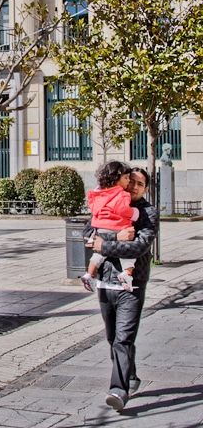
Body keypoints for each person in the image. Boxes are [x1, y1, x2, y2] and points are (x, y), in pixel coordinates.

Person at [83, 167, 158, 412]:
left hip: (132, 285)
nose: (134, 186)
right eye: (131, 181)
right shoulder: (110, 200)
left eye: (140, 184)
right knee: (112, 338)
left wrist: (104, 244)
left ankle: (118, 389)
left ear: (146, 188)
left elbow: (139, 248)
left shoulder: (148, 213)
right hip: (105, 283)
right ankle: (131, 376)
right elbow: (88, 234)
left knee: (123, 338)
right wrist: (114, 238)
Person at [82, 161, 139, 293]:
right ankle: (127, 274)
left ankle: (89, 274)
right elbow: (123, 209)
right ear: (116, 179)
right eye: (126, 178)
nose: (128, 182)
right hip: (117, 226)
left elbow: (94, 209)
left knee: (99, 253)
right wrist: (134, 213)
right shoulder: (122, 194)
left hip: (100, 228)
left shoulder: (99, 193)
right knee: (128, 253)